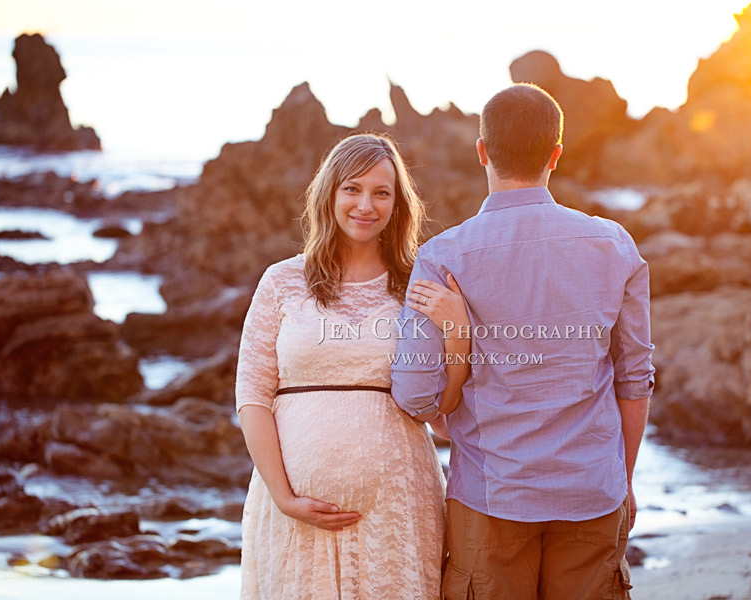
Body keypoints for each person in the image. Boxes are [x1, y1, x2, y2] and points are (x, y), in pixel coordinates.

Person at [392, 83, 655, 600]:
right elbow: (634, 379)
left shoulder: (443, 257)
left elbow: (413, 394)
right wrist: (621, 479)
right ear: (555, 154)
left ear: (482, 151)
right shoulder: (614, 245)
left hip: (491, 495)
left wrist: (458, 408)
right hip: (592, 492)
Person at [235, 133, 455, 599]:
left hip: (399, 507)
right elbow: (252, 397)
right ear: (329, 192)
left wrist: (458, 329)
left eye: (381, 192)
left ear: (398, 204)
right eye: (352, 189)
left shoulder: (418, 286)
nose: (365, 205)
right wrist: (285, 497)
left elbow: (444, 412)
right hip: (291, 509)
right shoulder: (281, 281)